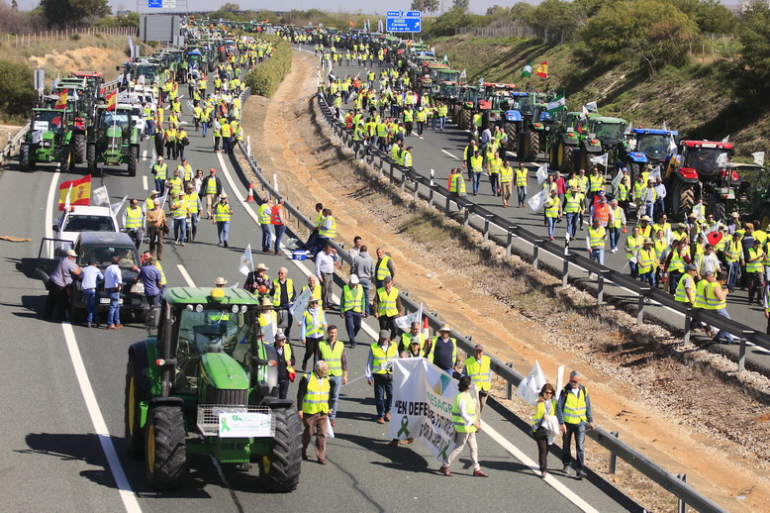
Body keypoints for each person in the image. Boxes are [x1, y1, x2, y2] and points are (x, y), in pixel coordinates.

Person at [439, 375, 489, 478]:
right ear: (468, 385)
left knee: (474, 448)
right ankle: (445, 466)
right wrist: (474, 423)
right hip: (463, 427)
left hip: (469, 428)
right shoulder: (461, 398)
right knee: (458, 448)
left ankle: (477, 469)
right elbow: (463, 413)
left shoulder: (467, 396)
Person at [556, 370, 595, 480]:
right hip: (567, 424)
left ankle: (580, 470)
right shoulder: (565, 391)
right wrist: (561, 423)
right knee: (566, 445)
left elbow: (588, 407)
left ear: (579, 380)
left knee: (580, 447)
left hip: (580, 423)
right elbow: (559, 407)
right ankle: (566, 464)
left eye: (574, 381)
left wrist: (590, 421)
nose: (572, 383)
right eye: (571, 381)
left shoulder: (584, 391)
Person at [297, 360, 330, 465]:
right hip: (310, 411)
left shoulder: (326, 379)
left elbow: (327, 394)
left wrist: (330, 407)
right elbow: (300, 394)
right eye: (324, 370)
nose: (326, 372)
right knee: (309, 432)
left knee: (322, 434)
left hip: (322, 411)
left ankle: (321, 456)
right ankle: (302, 449)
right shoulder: (307, 378)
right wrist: (300, 409)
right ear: (318, 370)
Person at [317, 326, 348, 427]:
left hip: (337, 374)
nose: (332, 334)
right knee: (324, 396)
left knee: (334, 397)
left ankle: (332, 417)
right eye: (331, 333)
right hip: (324, 375)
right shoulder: (321, 344)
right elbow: (317, 360)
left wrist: (345, 375)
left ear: (337, 333)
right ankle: (323, 415)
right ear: (327, 333)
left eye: (334, 333)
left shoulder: (340, 345)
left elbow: (344, 361)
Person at [366, 329, 397, 424]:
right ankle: (381, 415)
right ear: (379, 338)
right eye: (383, 339)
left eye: (386, 339)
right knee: (379, 396)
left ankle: (387, 411)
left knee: (391, 394)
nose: (385, 341)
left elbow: (397, 359)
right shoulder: (373, 347)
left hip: (390, 376)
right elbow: (369, 363)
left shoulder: (393, 346)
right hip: (378, 375)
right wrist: (369, 376)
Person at [44, 248, 83, 321]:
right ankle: (62, 317)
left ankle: (47, 315)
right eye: (73, 256)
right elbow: (77, 272)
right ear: (69, 256)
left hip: (53, 281)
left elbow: (74, 266)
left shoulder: (64, 260)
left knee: (51, 300)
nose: (74, 258)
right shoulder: (68, 262)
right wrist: (80, 268)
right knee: (62, 301)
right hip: (60, 284)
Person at [532, 383, 557, 478]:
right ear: (543, 392)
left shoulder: (553, 402)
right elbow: (534, 403)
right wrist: (539, 401)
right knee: (542, 449)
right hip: (539, 428)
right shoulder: (539, 401)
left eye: (551, 393)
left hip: (549, 428)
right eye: (547, 392)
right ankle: (543, 469)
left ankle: (542, 463)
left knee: (547, 448)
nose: (548, 395)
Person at [464, 344, 492, 416]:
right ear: (474, 352)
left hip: (484, 388)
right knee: (475, 406)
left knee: (481, 405)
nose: (478, 353)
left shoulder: (486, 360)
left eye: (480, 351)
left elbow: (489, 373)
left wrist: (488, 383)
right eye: (477, 351)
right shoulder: (469, 362)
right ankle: (475, 420)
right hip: (474, 389)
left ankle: (476, 418)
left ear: (482, 352)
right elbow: (464, 374)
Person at [301, 297, 327, 371]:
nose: (314, 304)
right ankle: (305, 360)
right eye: (312, 303)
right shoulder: (306, 313)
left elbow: (324, 320)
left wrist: (324, 324)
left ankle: (315, 369)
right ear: (310, 304)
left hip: (319, 335)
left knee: (317, 354)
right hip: (310, 336)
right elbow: (303, 326)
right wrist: (303, 337)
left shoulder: (320, 311)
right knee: (309, 352)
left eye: (316, 303)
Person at [374, 276, 402, 342]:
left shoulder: (395, 291)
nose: (387, 285)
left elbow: (398, 302)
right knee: (384, 331)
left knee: (395, 328)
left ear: (391, 283)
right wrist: (375, 311)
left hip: (393, 313)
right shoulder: (379, 291)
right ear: (384, 283)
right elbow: (375, 302)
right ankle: (384, 343)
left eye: (388, 283)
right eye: (386, 283)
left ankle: (392, 339)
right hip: (383, 314)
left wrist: (399, 311)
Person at [341, 274, 365, 348]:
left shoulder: (360, 288)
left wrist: (363, 309)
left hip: (357, 310)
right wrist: (342, 311)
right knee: (350, 326)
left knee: (358, 326)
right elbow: (342, 300)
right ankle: (352, 342)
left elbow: (363, 299)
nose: (354, 284)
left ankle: (352, 336)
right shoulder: (345, 288)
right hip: (348, 311)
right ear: (350, 282)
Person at [271, 267, 296, 339]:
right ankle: (279, 335)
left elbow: (294, 292)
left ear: (285, 274)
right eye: (279, 273)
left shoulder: (290, 282)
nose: (280, 275)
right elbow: (271, 294)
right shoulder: (275, 282)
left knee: (290, 319)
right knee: (278, 321)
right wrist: (273, 289)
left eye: (281, 273)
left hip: (287, 304)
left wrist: (292, 299)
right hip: (277, 305)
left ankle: (287, 334)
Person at [351, 244, 374, 315]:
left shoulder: (356, 258)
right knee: (366, 297)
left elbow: (352, 269)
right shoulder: (370, 259)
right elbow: (372, 270)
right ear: (366, 250)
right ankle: (367, 312)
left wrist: (352, 277)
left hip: (358, 279)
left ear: (360, 250)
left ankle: (357, 310)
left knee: (357, 295)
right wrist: (371, 277)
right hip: (366, 280)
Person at [80, 259, 103, 328]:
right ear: (94, 264)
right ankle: (96, 317)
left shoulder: (84, 269)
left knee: (87, 306)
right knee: (91, 306)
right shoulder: (96, 270)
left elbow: (80, 276)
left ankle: (89, 321)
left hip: (85, 290)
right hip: (93, 290)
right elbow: (102, 277)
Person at [315, 245, 338, 310]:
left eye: (331, 250)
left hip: (330, 274)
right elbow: (317, 266)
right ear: (325, 249)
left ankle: (329, 303)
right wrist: (319, 276)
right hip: (324, 274)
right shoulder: (320, 255)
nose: (330, 251)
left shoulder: (330, 254)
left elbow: (335, 259)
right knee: (324, 289)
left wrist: (335, 253)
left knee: (330, 289)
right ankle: (324, 303)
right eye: (329, 250)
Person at [104, 255, 123, 330]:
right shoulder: (117, 269)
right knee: (113, 306)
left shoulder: (108, 268)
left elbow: (105, 277)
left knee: (116, 306)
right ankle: (110, 323)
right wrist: (118, 288)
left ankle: (117, 322)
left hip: (108, 288)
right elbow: (119, 280)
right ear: (118, 262)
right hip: (114, 289)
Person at [274, 332, 295, 400]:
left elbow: (293, 360)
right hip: (275, 378)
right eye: (281, 340)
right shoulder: (272, 349)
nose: (283, 341)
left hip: (285, 378)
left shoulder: (288, 348)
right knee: (274, 397)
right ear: (276, 340)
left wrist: (290, 362)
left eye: (284, 339)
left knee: (283, 397)